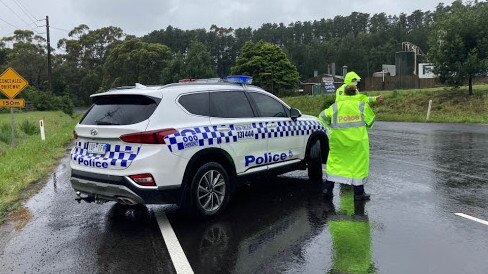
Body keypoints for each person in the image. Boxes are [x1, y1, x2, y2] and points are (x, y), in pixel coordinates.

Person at [318, 84, 375, 200]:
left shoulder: (335, 107)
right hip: (358, 143)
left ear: (344, 93)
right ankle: (359, 193)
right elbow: (371, 121)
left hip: (338, 142)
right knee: (358, 166)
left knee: (335, 164)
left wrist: (331, 126)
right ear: (356, 93)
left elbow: (322, 117)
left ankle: (327, 189)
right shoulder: (361, 106)